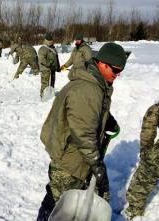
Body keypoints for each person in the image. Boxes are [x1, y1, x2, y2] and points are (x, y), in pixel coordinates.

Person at [36, 42, 128, 221]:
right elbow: (83, 134)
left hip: (74, 151)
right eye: (115, 70)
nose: (117, 75)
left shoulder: (95, 82)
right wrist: (96, 164)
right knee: (56, 201)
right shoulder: (87, 89)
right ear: (102, 64)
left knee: (61, 196)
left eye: (120, 71)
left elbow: (89, 113)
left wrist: (108, 120)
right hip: (69, 156)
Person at [37, 33, 60, 97]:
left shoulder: (53, 48)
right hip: (45, 70)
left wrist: (57, 67)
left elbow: (56, 58)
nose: (50, 42)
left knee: (52, 83)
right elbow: (42, 60)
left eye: (51, 40)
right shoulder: (43, 49)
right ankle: (43, 96)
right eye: (49, 40)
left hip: (52, 69)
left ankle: (50, 96)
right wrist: (49, 64)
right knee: (45, 84)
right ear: (45, 40)